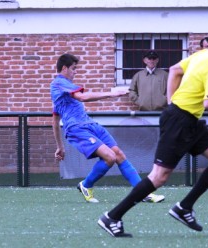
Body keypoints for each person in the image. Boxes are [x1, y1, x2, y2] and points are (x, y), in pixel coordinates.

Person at [98, 18, 208, 237]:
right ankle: (112, 217)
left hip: (189, 120)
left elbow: (175, 69)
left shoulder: (204, 54)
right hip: (180, 120)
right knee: (159, 177)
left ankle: (184, 207)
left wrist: (171, 100)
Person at [50, 53, 165, 204]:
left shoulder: (64, 90)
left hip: (90, 124)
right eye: (73, 68)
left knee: (118, 154)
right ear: (64, 68)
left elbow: (55, 118)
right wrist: (111, 94)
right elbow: (82, 98)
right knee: (109, 157)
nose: (75, 71)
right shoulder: (58, 83)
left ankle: (143, 193)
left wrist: (60, 147)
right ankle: (86, 185)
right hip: (77, 129)